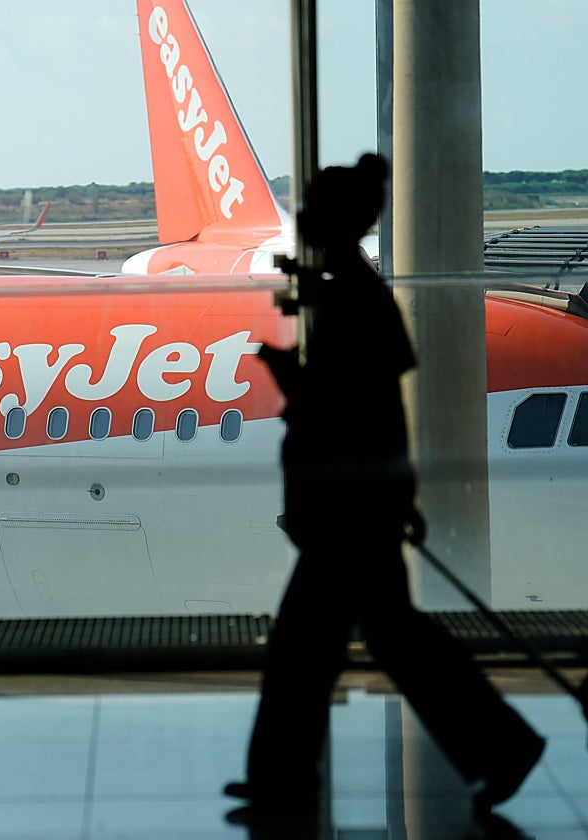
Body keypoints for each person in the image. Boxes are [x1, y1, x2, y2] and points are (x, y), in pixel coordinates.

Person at [225, 153, 545, 822]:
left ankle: (286, 778)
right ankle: (498, 747)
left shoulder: (353, 298)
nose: (303, 222)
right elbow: (381, 406)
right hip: (360, 504)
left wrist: (291, 379)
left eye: (310, 211)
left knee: (316, 653)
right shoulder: (358, 290)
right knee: (377, 646)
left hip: (348, 508)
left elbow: (352, 408)